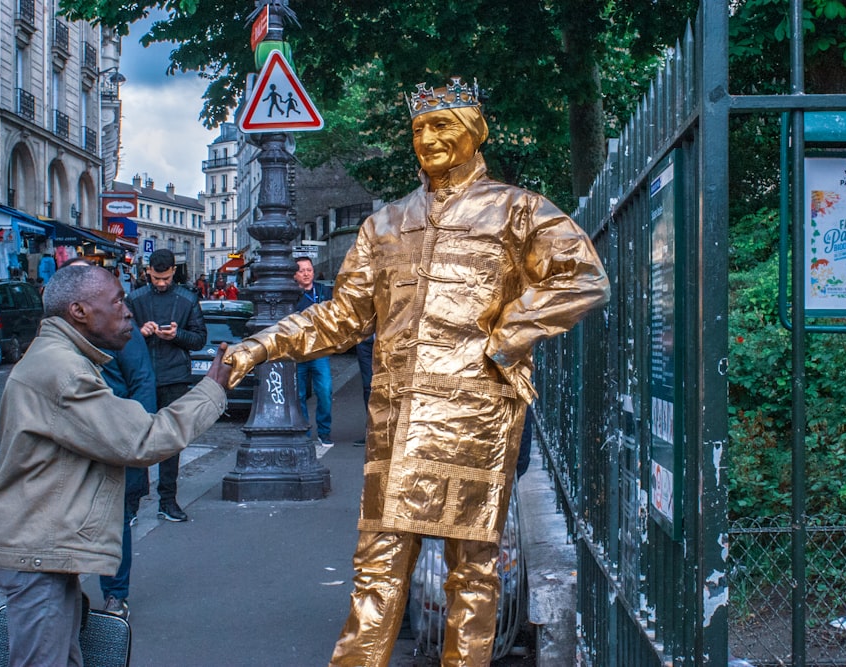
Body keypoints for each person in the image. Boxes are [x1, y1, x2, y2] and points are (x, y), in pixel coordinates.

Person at [222, 76, 610, 666]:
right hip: (397, 422)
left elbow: (582, 277)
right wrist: (262, 343)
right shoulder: (385, 225)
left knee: (473, 570)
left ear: (473, 133)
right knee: (376, 567)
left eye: (441, 126)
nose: (426, 138)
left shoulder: (518, 210)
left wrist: (504, 339)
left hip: (476, 416)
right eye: (418, 129)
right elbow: (344, 316)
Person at [0, 264, 232, 666]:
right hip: (37, 551)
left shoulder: (59, 358)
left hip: (44, 548)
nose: (128, 309)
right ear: (79, 311)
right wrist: (212, 391)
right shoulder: (64, 372)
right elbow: (141, 439)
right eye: (116, 300)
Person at [61, 258, 154, 621]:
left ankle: (115, 594)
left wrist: (138, 436)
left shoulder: (119, 329)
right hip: (74, 441)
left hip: (115, 439)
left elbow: (143, 382)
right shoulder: (57, 335)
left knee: (115, 521)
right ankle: (69, 594)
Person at [126, 249, 207, 522]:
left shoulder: (187, 298)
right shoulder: (135, 299)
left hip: (173, 377)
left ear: (174, 271)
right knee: (138, 441)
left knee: (170, 443)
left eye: (166, 278)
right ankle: (133, 503)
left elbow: (199, 339)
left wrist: (176, 335)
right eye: (157, 278)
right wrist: (140, 333)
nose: (161, 283)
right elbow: (118, 336)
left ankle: (167, 500)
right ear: (148, 272)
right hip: (142, 377)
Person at [293, 256, 334, 447]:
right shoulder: (292, 295)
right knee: (299, 394)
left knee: (325, 390)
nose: (306, 273)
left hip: (319, 350)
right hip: (298, 351)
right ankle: (305, 432)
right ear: (295, 274)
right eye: (302, 270)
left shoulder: (324, 291)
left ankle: (324, 432)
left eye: (309, 269)